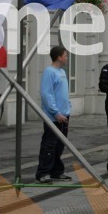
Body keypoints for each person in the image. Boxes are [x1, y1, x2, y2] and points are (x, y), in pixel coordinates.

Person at [35, 46, 72, 184]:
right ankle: (42, 173)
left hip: (64, 115)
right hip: (54, 116)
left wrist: (67, 108)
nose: (67, 58)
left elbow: (62, 92)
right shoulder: (49, 72)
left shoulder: (61, 71)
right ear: (59, 57)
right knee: (49, 144)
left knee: (59, 145)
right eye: (65, 55)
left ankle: (56, 171)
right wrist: (55, 112)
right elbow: (47, 94)